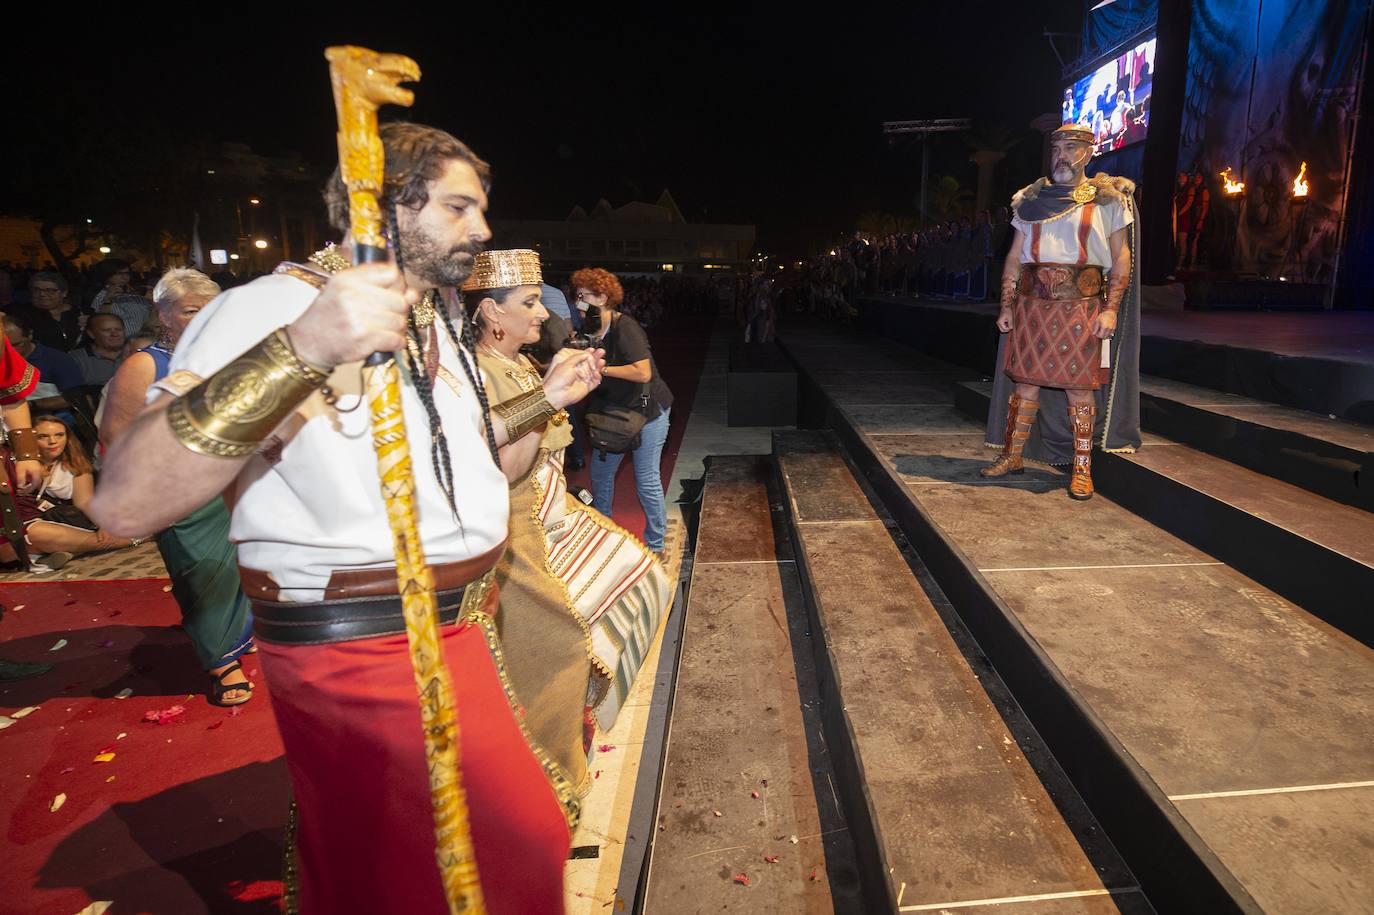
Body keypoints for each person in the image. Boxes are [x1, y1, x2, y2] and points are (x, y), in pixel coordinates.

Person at [90, 121, 606, 915]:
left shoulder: (432, 324)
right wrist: (303, 346)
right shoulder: (273, 305)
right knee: (456, 867)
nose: (484, 228)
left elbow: (477, 469)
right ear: (388, 205)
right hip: (363, 643)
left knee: (493, 855)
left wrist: (549, 399)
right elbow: (125, 500)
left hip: (460, 630)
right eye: (461, 208)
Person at [466, 251, 672, 785]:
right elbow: (508, 466)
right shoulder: (482, 373)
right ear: (491, 311)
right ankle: (553, 782)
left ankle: (562, 737)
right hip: (522, 532)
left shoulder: (514, 362)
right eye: (531, 303)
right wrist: (552, 395)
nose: (546, 313)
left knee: (641, 581)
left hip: (552, 513)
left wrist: (557, 388)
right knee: (563, 644)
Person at [101, 268, 254, 706]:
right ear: (163, 315)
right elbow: (117, 438)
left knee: (247, 568)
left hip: (241, 480)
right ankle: (223, 663)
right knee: (205, 572)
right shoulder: (144, 365)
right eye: (191, 310)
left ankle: (239, 635)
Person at [981, 123, 1141, 500]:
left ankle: (1082, 469)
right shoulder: (1030, 200)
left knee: (1078, 390)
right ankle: (1013, 455)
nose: (1062, 156)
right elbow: (1014, 257)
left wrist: (1111, 310)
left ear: (1088, 151)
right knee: (1024, 383)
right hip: (1032, 304)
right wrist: (1006, 304)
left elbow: (1121, 258)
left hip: (1081, 304)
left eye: (1071, 148)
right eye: (1056, 149)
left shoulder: (1108, 199)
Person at [573, 267, 674, 556]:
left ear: (602, 297)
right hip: (612, 415)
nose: (578, 302)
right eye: (576, 296)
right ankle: (605, 543)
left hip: (648, 412)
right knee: (601, 478)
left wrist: (601, 369)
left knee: (646, 480)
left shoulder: (625, 326)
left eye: (583, 297)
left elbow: (642, 373)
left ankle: (655, 545)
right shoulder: (588, 330)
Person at [15, 415, 136, 568]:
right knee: (23, 539)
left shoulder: (75, 465)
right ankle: (69, 550)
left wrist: (103, 524)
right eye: (43, 436)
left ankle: (127, 540)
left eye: (59, 435)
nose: (53, 441)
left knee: (37, 534)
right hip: (25, 523)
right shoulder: (20, 465)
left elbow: (85, 502)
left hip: (63, 523)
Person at [4, 312, 83, 420]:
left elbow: (75, 398)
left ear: (30, 335)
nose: (10, 351)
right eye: (3, 346)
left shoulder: (56, 359)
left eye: (17, 345)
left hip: (51, 419)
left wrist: (31, 405)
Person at [20, 272, 84, 350]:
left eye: (50, 290)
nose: (42, 294)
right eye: (36, 289)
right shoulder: (20, 314)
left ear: (64, 293)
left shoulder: (81, 313)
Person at [68, 312, 126, 386]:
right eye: (107, 330)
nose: (115, 334)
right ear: (91, 334)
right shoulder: (76, 359)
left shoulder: (136, 353)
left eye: (118, 329)